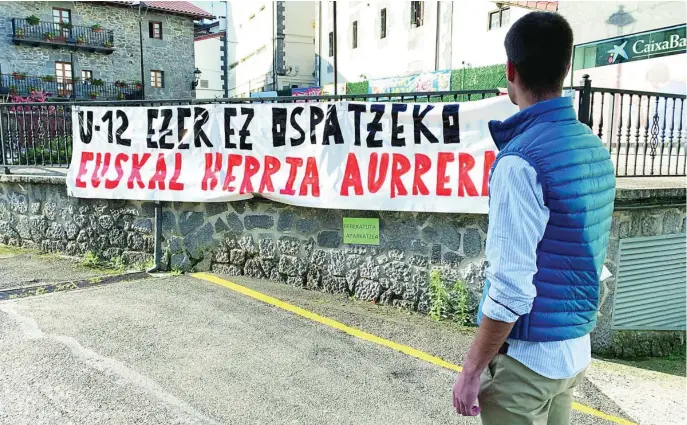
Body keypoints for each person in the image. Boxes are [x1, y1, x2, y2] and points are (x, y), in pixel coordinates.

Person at [452, 11, 616, 425]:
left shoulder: (520, 161)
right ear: (567, 66)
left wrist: (471, 372)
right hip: (574, 354)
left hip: (527, 365)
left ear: (511, 70)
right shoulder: (592, 147)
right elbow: (592, 257)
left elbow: (511, 289)